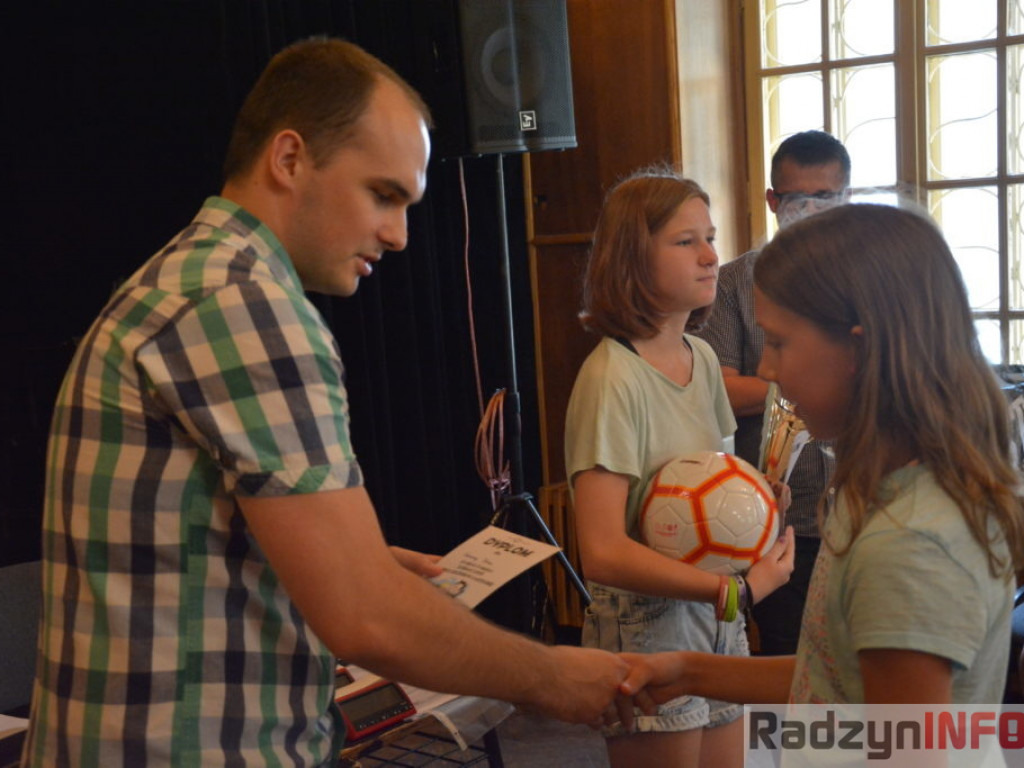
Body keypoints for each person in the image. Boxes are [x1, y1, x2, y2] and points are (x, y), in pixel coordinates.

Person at [21, 37, 633, 768]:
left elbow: (191, 547)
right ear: (289, 159)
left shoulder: (193, 274)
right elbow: (364, 616)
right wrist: (555, 677)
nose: (400, 235)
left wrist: (344, 558)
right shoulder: (243, 300)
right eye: (383, 194)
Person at [617, 203, 1024, 710]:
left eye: (780, 342)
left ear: (858, 351)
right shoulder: (887, 493)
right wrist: (688, 670)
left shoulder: (909, 544)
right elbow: (836, 678)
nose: (765, 369)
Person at [564, 168, 795, 768]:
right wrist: (733, 593)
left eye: (711, 237)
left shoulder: (701, 357)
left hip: (716, 620)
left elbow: (718, 481)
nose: (712, 256)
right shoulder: (611, 377)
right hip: (649, 624)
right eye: (685, 241)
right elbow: (603, 551)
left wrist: (759, 506)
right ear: (633, 258)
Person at [695, 130, 851, 655]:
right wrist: (802, 382)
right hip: (773, 516)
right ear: (772, 201)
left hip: (861, 510)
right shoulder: (738, 281)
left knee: (859, 674)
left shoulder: (868, 282)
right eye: (794, 199)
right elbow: (716, 383)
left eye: (823, 198)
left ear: (845, 197)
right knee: (786, 662)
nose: (808, 210)